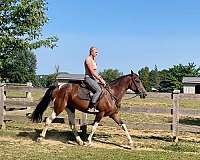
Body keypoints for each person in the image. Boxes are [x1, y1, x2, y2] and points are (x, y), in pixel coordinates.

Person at [84, 46, 106, 113]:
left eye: (97, 52)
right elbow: (92, 72)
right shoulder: (88, 59)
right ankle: (91, 107)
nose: (97, 53)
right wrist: (99, 79)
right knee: (98, 90)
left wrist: (100, 79)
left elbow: (95, 72)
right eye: (96, 52)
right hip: (88, 78)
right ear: (91, 52)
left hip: (92, 78)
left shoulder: (93, 60)